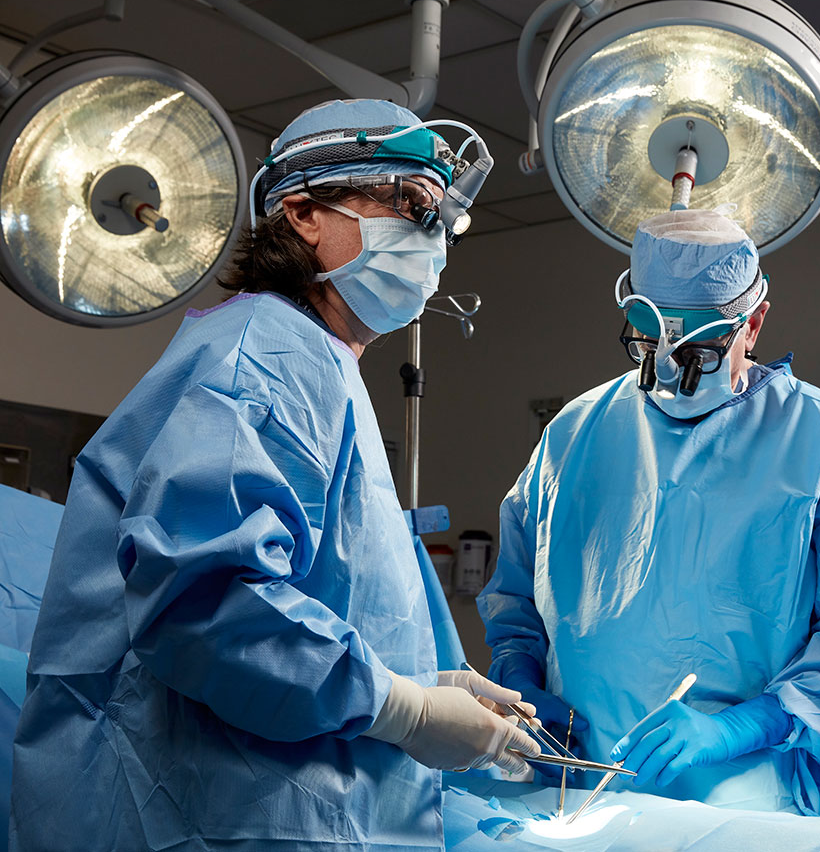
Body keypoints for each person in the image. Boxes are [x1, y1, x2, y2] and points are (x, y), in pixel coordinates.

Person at [9, 99, 539, 851]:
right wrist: (404, 708)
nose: (434, 241)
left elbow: (320, 597)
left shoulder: (319, 365)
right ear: (303, 212)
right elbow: (208, 604)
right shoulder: (266, 352)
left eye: (442, 220)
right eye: (412, 204)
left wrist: (426, 681)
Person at [478, 208, 820, 818]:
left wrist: (745, 727)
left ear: (754, 323)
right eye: (651, 338)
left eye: (701, 345)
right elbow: (516, 601)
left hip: (751, 804)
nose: (670, 366)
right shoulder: (572, 436)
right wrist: (522, 683)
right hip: (579, 795)